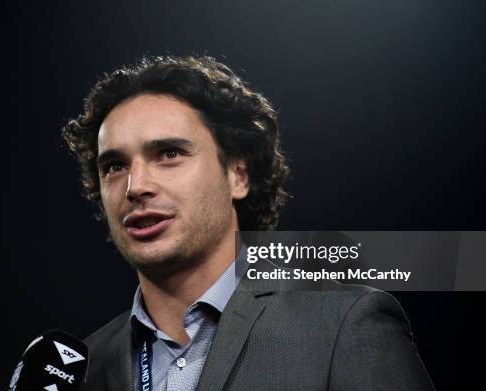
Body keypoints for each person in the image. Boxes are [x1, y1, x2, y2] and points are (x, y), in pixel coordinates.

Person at [62, 55, 435, 390]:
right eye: (114, 166)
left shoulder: (342, 324)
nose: (136, 186)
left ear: (238, 175)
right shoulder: (84, 367)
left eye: (169, 153)